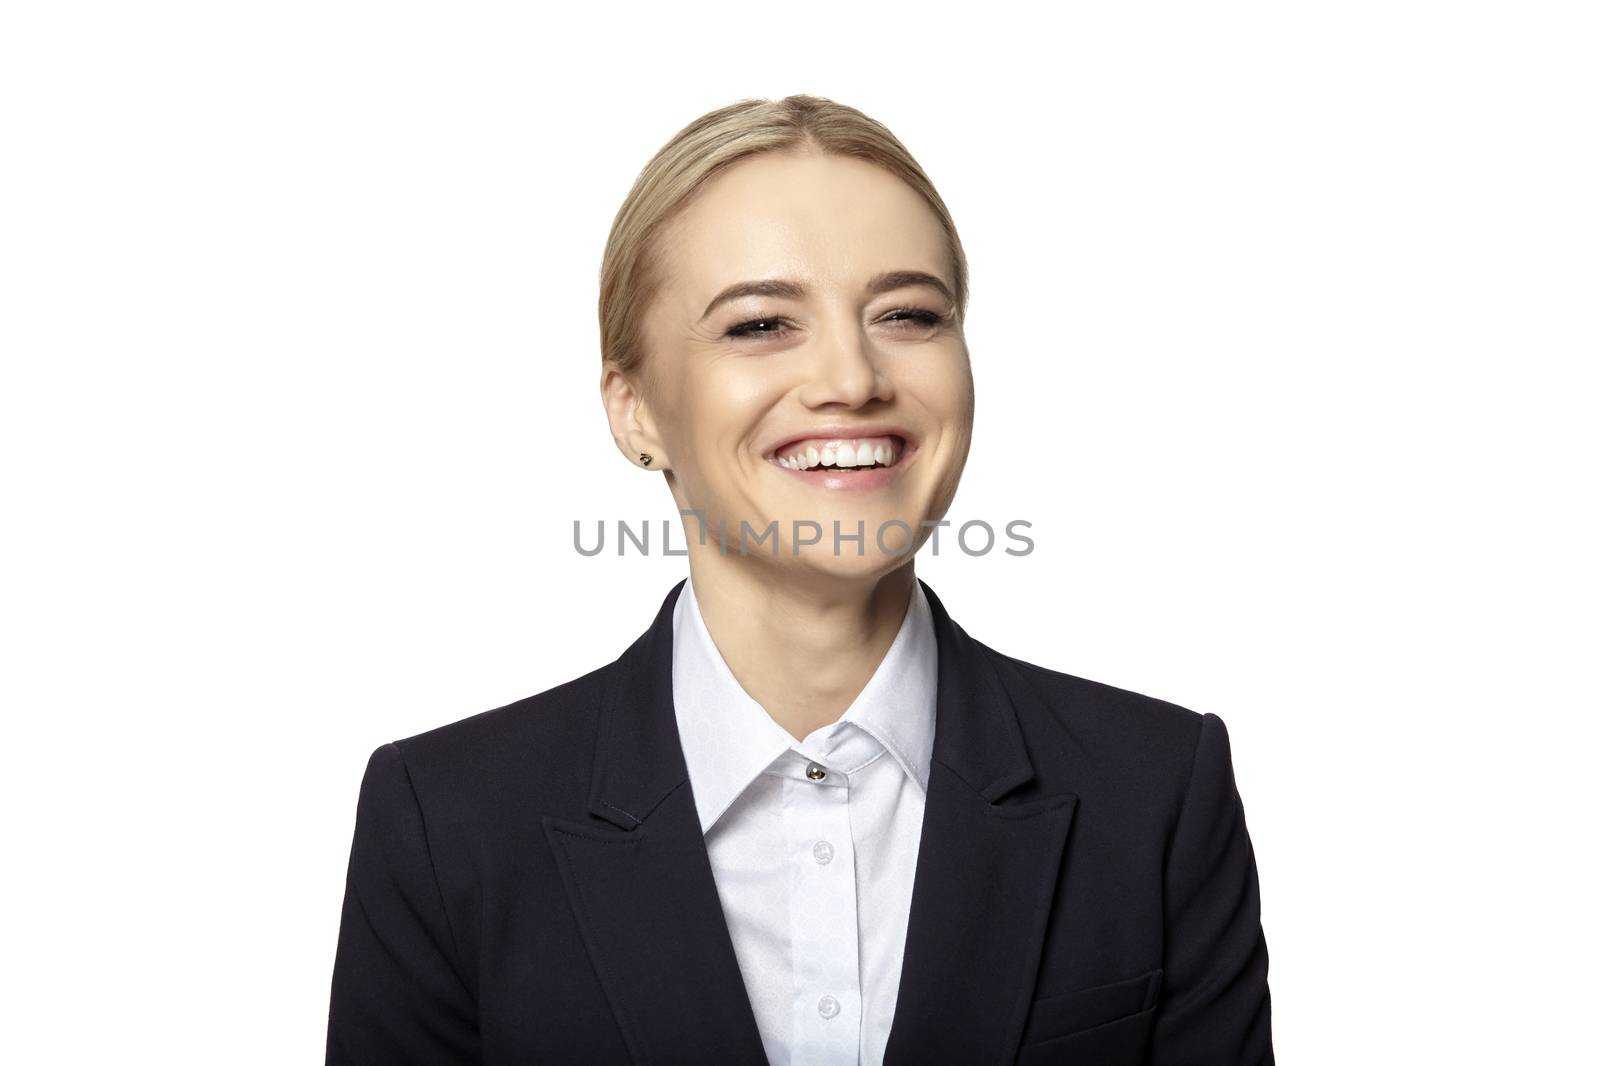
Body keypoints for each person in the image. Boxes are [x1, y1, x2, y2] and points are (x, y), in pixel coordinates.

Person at [325, 94, 1274, 1066]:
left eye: (907, 313)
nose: (852, 376)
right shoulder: (446, 822)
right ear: (633, 408)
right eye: (761, 323)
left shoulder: (1157, 792)